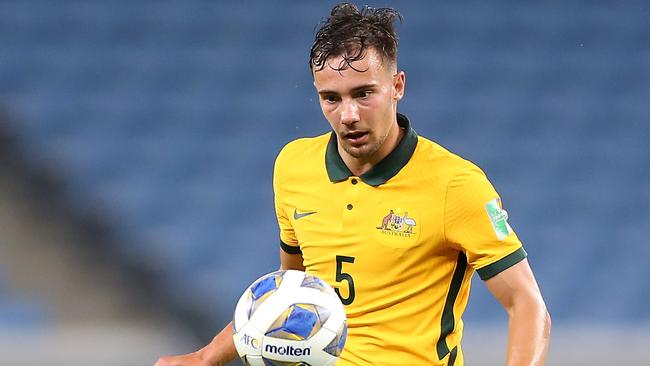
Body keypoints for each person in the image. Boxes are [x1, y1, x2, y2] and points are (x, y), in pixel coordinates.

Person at [155, 3, 551, 366]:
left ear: (397, 86)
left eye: (364, 94)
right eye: (331, 98)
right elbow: (290, 292)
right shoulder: (293, 166)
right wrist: (207, 357)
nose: (348, 115)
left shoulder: (455, 185)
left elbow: (527, 304)